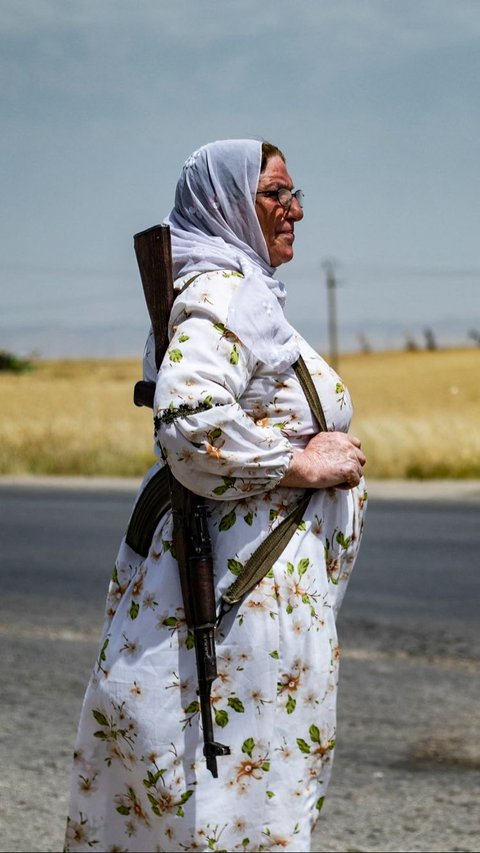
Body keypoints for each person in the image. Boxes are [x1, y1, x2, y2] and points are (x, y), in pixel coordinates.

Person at [64, 139, 367, 853]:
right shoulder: (223, 292)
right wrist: (302, 464)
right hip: (241, 594)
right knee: (242, 788)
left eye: (295, 196)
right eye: (275, 196)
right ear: (229, 204)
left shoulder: (242, 291)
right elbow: (190, 426)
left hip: (254, 586)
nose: (295, 211)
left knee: (240, 781)